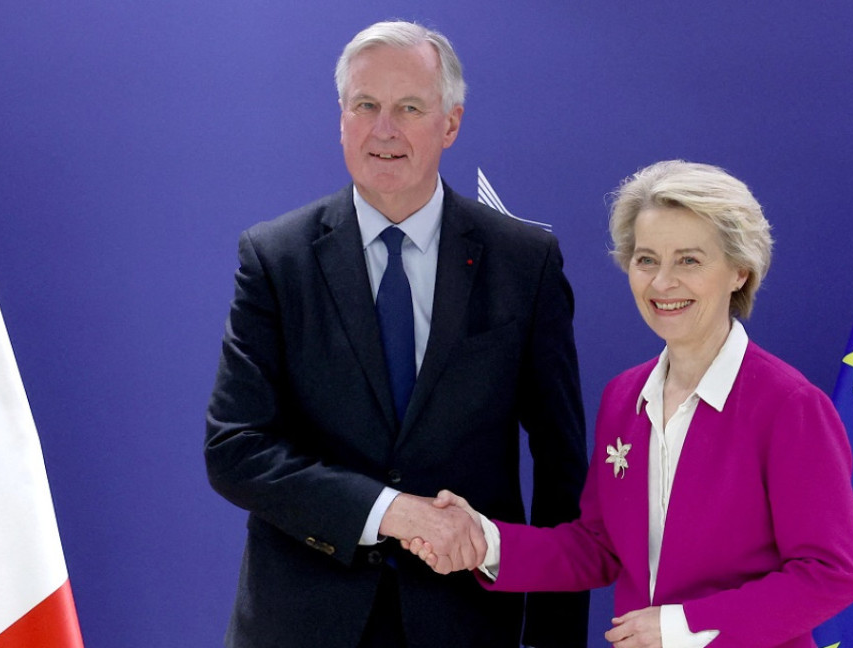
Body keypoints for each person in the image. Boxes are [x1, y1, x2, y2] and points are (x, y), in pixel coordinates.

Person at [204, 20, 589, 648]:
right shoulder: (276, 258)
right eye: (366, 106)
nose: (384, 129)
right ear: (341, 118)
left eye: (409, 107)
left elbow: (562, 474)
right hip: (300, 625)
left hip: (466, 622)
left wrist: (554, 642)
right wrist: (390, 511)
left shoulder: (524, 263)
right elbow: (236, 449)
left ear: (451, 123)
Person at [410, 160, 853, 648]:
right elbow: (599, 546)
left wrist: (679, 627)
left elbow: (829, 575)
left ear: (739, 271)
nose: (662, 283)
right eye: (646, 260)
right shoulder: (624, 397)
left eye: (688, 260)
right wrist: (484, 540)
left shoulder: (791, 406)